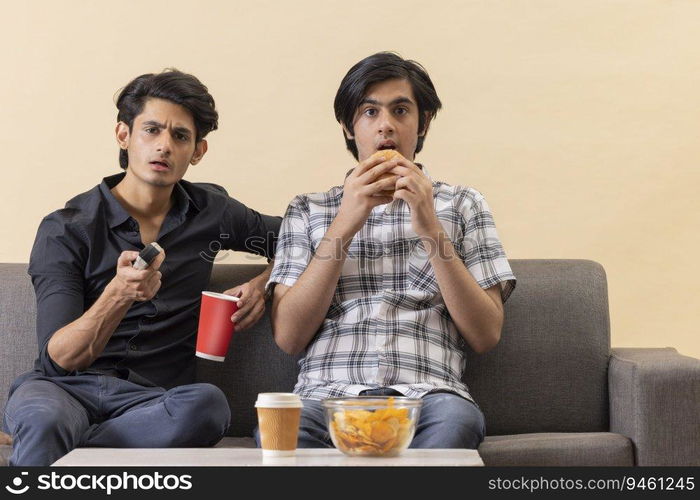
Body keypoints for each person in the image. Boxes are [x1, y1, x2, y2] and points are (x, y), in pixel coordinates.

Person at [2, 69, 281, 466]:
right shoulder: (67, 228)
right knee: (45, 419)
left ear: (198, 151)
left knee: (208, 407)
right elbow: (58, 360)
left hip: (155, 402)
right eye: (151, 130)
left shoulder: (213, 214)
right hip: (63, 391)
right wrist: (118, 294)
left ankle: (73, 445)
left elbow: (310, 237)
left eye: (180, 136)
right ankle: (56, 434)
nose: (164, 146)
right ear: (124, 135)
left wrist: (264, 283)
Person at [264, 52, 516, 449]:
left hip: (430, 397)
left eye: (401, 110)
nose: (386, 126)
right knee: (282, 432)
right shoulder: (308, 210)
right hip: (325, 396)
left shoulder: (465, 204)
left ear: (423, 122)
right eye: (369, 112)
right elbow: (289, 336)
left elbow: (486, 334)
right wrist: (346, 221)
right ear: (350, 127)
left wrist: (431, 227)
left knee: (457, 422)